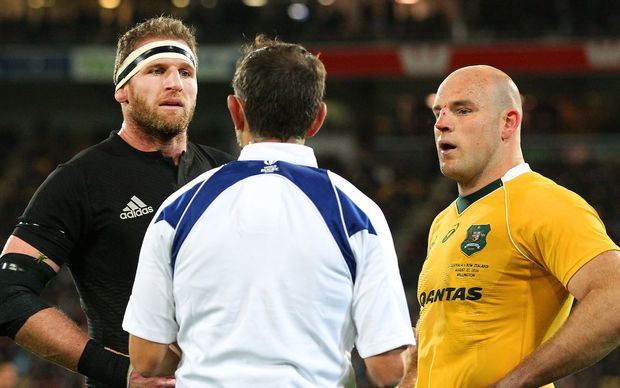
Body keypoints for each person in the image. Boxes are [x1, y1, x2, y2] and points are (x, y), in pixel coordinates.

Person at [122, 35, 415, 387]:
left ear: (236, 111)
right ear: (317, 118)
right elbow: (386, 370)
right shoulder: (356, 212)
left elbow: (146, 358)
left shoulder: (180, 209)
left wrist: (208, 352)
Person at [0, 16, 233, 388]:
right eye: (157, 70)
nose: (175, 83)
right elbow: (8, 293)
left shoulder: (228, 172)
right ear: (123, 89)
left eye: (186, 72)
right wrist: (119, 373)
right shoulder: (81, 180)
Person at [411, 65, 620, 387]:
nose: (441, 124)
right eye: (438, 113)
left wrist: (518, 381)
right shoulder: (443, 220)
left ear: (508, 123)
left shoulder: (545, 203)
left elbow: (614, 295)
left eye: (463, 110)